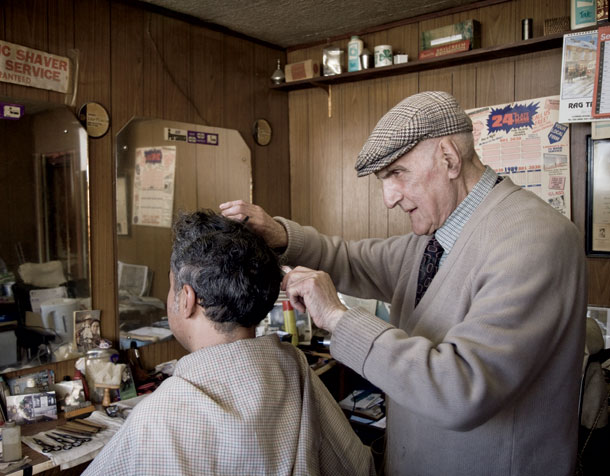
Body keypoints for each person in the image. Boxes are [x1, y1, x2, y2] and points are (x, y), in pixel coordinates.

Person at [220, 91, 587, 476]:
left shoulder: (534, 238)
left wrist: (338, 318)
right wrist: (280, 234)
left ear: (448, 157)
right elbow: (350, 259)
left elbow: (461, 391)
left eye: (396, 174)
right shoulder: (435, 238)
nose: (388, 199)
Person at [83, 210, 374, 476]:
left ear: (186, 299)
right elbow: (358, 466)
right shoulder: (293, 367)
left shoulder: (160, 416)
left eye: (172, 287)